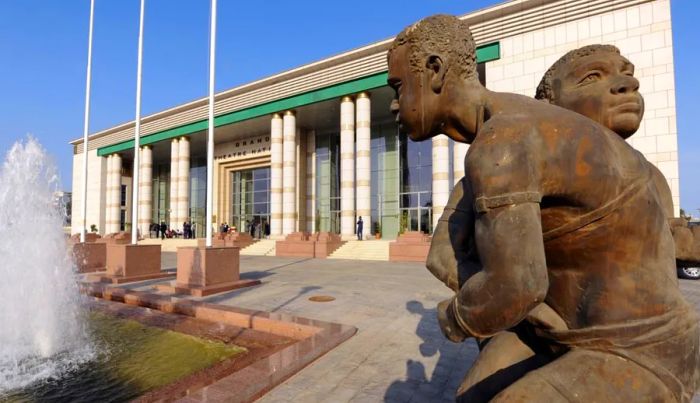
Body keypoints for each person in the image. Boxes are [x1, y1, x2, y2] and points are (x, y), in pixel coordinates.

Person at [388, 15, 698, 402]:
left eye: (398, 87)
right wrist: (531, 310)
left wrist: (454, 318)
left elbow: (516, 287)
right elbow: (447, 258)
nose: (394, 103)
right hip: (560, 332)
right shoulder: (502, 134)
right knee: (471, 395)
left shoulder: (506, 138)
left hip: (644, 348)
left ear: (434, 70)